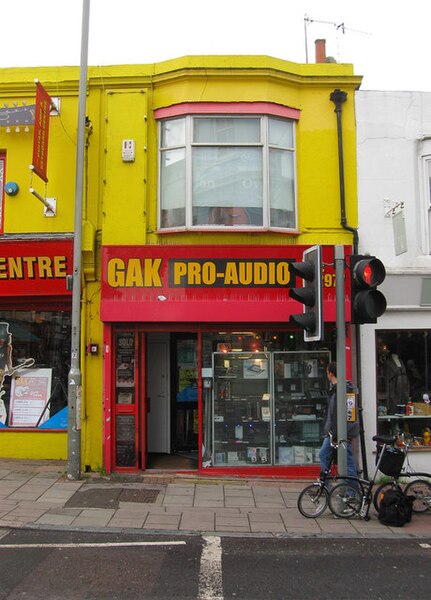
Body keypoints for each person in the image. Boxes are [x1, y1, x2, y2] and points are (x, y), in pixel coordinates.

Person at [319, 361, 359, 480]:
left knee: (345, 459)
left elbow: (344, 412)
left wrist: (336, 432)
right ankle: (326, 485)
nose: (327, 375)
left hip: (339, 431)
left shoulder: (343, 390)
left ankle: (351, 491)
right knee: (329, 456)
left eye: (327, 372)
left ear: (331, 374)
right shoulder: (337, 389)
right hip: (335, 431)